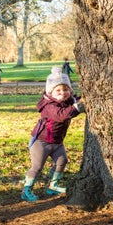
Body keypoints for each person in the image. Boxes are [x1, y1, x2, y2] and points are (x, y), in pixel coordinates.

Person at [21, 67, 85, 202]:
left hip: (57, 142)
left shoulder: (68, 101)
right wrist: (78, 107)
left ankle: (53, 185)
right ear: (51, 92)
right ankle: (27, 190)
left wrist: (81, 101)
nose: (63, 93)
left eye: (66, 90)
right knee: (37, 167)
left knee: (62, 161)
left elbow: (75, 101)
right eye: (58, 90)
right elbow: (61, 115)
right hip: (41, 142)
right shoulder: (49, 105)